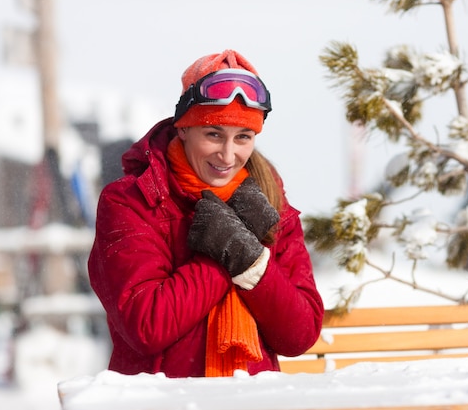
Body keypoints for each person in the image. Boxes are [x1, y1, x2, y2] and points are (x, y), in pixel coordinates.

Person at [88, 49, 324, 378]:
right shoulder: (132, 201)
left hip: (253, 400)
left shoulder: (269, 202)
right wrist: (225, 255)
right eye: (213, 134)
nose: (228, 155)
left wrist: (251, 261)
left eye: (243, 137)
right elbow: (145, 326)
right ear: (183, 128)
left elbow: (300, 334)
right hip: (164, 401)